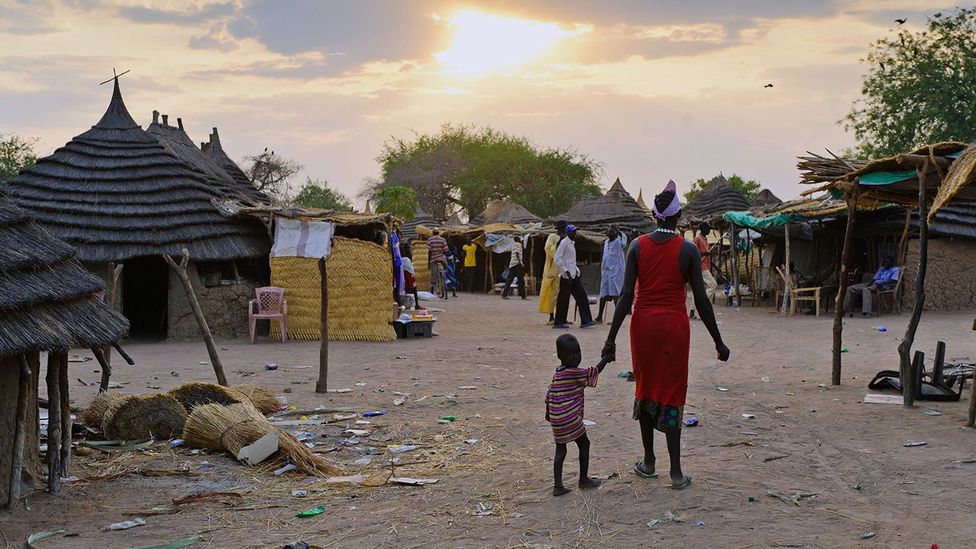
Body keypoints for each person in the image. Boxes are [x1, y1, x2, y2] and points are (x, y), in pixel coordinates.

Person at [603, 180, 730, 490]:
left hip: (643, 327)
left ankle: (648, 462)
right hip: (674, 329)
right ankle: (675, 472)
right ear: (678, 216)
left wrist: (611, 339)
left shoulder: (637, 246)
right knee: (671, 392)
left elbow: (624, 297)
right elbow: (701, 301)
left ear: (655, 215)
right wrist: (718, 341)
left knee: (645, 389)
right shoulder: (687, 250)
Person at [545, 333, 612, 496]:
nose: (575, 357)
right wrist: (607, 359)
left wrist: (549, 414)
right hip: (569, 418)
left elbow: (549, 394)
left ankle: (558, 486)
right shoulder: (573, 373)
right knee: (584, 444)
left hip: (557, 419)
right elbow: (593, 372)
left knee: (561, 450)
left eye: (577, 352)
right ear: (560, 356)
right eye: (570, 354)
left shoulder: (559, 373)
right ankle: (583, 479)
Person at [554, 225, 594, 329]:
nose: (575, 234)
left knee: (582, 296)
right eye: (573, 232)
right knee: (563, 299)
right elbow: (557, 259)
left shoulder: (571, 243)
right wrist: (566, 272)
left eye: (575, 232)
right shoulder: (564, 243)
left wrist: (577, 271)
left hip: (573, 275)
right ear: (568, 233)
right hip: (566, 276)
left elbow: (571, 261)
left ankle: (586, 320)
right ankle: (559, 322)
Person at [596, 224, 627, 323]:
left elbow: (624, 242)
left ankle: (616, 319)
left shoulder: (619, 242)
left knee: (615, 294)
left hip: (616, 272)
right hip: (606, 271)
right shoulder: (606, 242)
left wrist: (618, 231)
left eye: (612, 232)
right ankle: (599, 317)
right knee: (603, 294)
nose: (610, 233)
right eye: (609, 232)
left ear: (615, 234)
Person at [539, 221, 566, 324]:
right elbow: (548, 249)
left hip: (562, 270)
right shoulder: (552, 237)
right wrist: (559, 243)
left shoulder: (566, 238)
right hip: (552, 270)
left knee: (562, 295)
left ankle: (562, 316)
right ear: (560, 228)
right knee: (553, 294)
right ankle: (552, 316)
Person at [689, 222, 717, 319]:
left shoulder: (705, 239)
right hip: (700, 267)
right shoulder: (697, 239)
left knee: (698, 290)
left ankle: (693, 312)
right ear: (703, 229)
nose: (709, 230)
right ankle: (702, 305)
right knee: (713, 284)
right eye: (708, 229)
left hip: (705, 266)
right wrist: (702, 254)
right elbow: (691, 252)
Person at [427, 230, 449, 299]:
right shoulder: (443, 239)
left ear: (433, 233)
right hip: (441, 259)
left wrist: (429, 262)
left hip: (433, 259)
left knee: (433, 276)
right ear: (438, 233)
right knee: (446, 267)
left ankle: (432, 292)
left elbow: (429, 251)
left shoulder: (430, 240)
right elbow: (446, 250)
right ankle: (447, 279)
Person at [400, 243, 420, 310]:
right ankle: (417, 304)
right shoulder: (409, 255)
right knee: (414, 287)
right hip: (408, 266)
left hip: (400, 264)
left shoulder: (400, 252)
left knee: (401, 285)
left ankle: (399, 303)